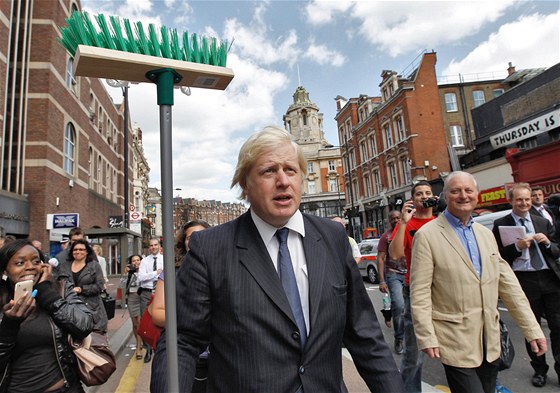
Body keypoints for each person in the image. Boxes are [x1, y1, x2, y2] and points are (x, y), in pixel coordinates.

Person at [151, 126, 404, 393]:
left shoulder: (331, 237)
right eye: (269, 171)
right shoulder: (210, 247)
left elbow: (364, 332)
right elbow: (182, 339)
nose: (283, 181)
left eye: (291, 170)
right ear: (245, 184)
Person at [411, 172, 547, 392]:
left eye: (468, 191)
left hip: (489, 340)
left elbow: (510, 287)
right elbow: (420, 292)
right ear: (446, 196)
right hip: (454, 340)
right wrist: (426, 335)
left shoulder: (485, 234)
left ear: (477, 195)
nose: (463, 196)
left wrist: (533, 330)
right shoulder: (427, 235)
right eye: (455, 191)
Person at [0, 240, 93, 393]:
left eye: (36, 261)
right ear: (5, 271)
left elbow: (84, 325)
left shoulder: (60, 289)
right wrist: (9, 324)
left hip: (67, 388)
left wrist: (46, 293)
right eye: (20, 263)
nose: (30, 266)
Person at [492, 182, 560, 388]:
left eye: (527, 199)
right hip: (524, 280)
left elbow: (557, 249)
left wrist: (547, 243)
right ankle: (539, 370)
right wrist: (516, 247)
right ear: (511, 201)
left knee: (558, 327)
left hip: (549, 279)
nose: (524, 203)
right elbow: (499, 256)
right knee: (532, 327)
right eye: (519, 199)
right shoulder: (500, 224)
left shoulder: (542, 222)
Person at [149, 219, 210, 393]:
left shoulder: (222, 268)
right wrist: (195, 319)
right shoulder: (171, 272)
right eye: (191, 237)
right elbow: (158, 314)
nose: (196, 240)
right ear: (183, 242)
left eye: (202, 235)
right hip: (182, 355)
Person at [388, 180, 437, 393]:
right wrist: (403, 222)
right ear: (412, 200)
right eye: (419, 194)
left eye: (427, 192)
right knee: (414, 355)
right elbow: (395, 254)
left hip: (445, 291)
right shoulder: (408, 225)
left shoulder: (443, 221)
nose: (424, 196)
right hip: (416, 291)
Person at [58, 239, 108, 333]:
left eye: (81, 249)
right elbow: (59, 284)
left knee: (93, 342)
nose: (78, 251)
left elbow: (99, 286)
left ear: (87, 251)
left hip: (92, 308)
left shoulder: (94, 266)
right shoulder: (64, 266)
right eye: (75, 249)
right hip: (70, 308)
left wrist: (82, 289)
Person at [378, 210, 407, 354]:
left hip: (410, 274)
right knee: (399, 305)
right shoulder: (386, 236)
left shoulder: (407, 231)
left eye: (398, 217)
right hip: (393, 274)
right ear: (389, 220)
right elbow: (381, 259)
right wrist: (382, 280)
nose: (396, 220)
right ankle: (399, 338)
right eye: (393, 218)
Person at [138, 237, 163, 363]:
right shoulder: (144, 261)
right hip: (147, 294)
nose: (153, 247)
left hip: (161, 294)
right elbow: (141, 278)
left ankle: (159, 346)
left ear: (159, 246)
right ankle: (148, 349)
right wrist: (155, 273)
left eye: (155, 245)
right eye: (151, 245)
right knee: (146, 321)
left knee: (160, 321)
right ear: (149, 247)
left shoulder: (165, 259)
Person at [125, 254, 144, 360]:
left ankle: (138, 347)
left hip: (142, 296)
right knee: (135, 323)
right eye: (133, 261)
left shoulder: (144, 270)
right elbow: (124, 285)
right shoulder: (129, 272)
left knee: (140, 322)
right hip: (132, 297)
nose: (136, 262)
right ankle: (139, 342)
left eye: (138, 260)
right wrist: (128, 273)